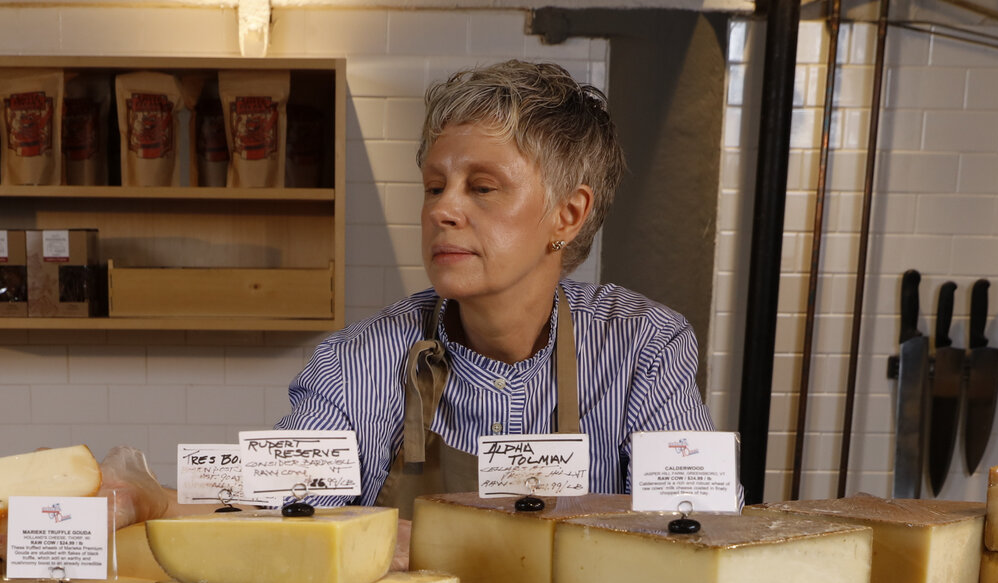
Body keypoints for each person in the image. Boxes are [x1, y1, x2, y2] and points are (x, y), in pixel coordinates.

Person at [277, 60, 712, 509]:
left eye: (482, 188)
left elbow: (692, 530)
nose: (441, 211)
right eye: (434, 187)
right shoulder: (357, 363)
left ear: (568, 214)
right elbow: (285, 524)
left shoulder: (643, 348)